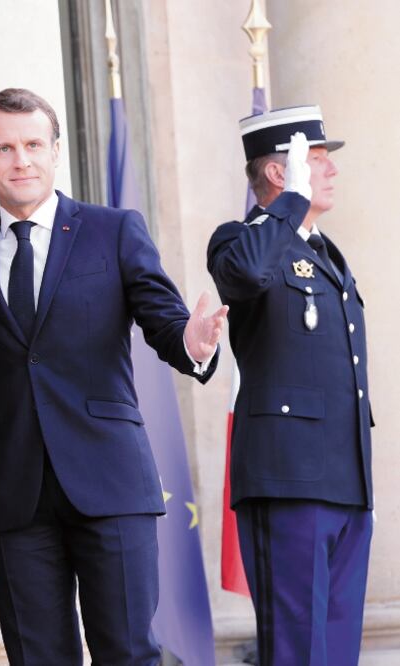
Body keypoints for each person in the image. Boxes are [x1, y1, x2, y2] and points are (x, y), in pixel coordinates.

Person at [0, 87, 226, 665]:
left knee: (129, 651)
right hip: (12, 488)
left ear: (56, 150)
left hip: (110, 480)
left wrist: (192, 342)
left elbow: (164, 319)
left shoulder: (112, 229)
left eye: (34, 144)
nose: (22, 160)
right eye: (5, 148)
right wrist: (0, 401)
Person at [207, 106, 372, 665]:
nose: (330, 172)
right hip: (288, 480)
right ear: (280, 173)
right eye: (317, 161)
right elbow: (249, 275)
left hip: (345, 480)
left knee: (338, 647)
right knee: (298, 648)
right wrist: (292, 206)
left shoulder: (326, 254)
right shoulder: (241, 239)